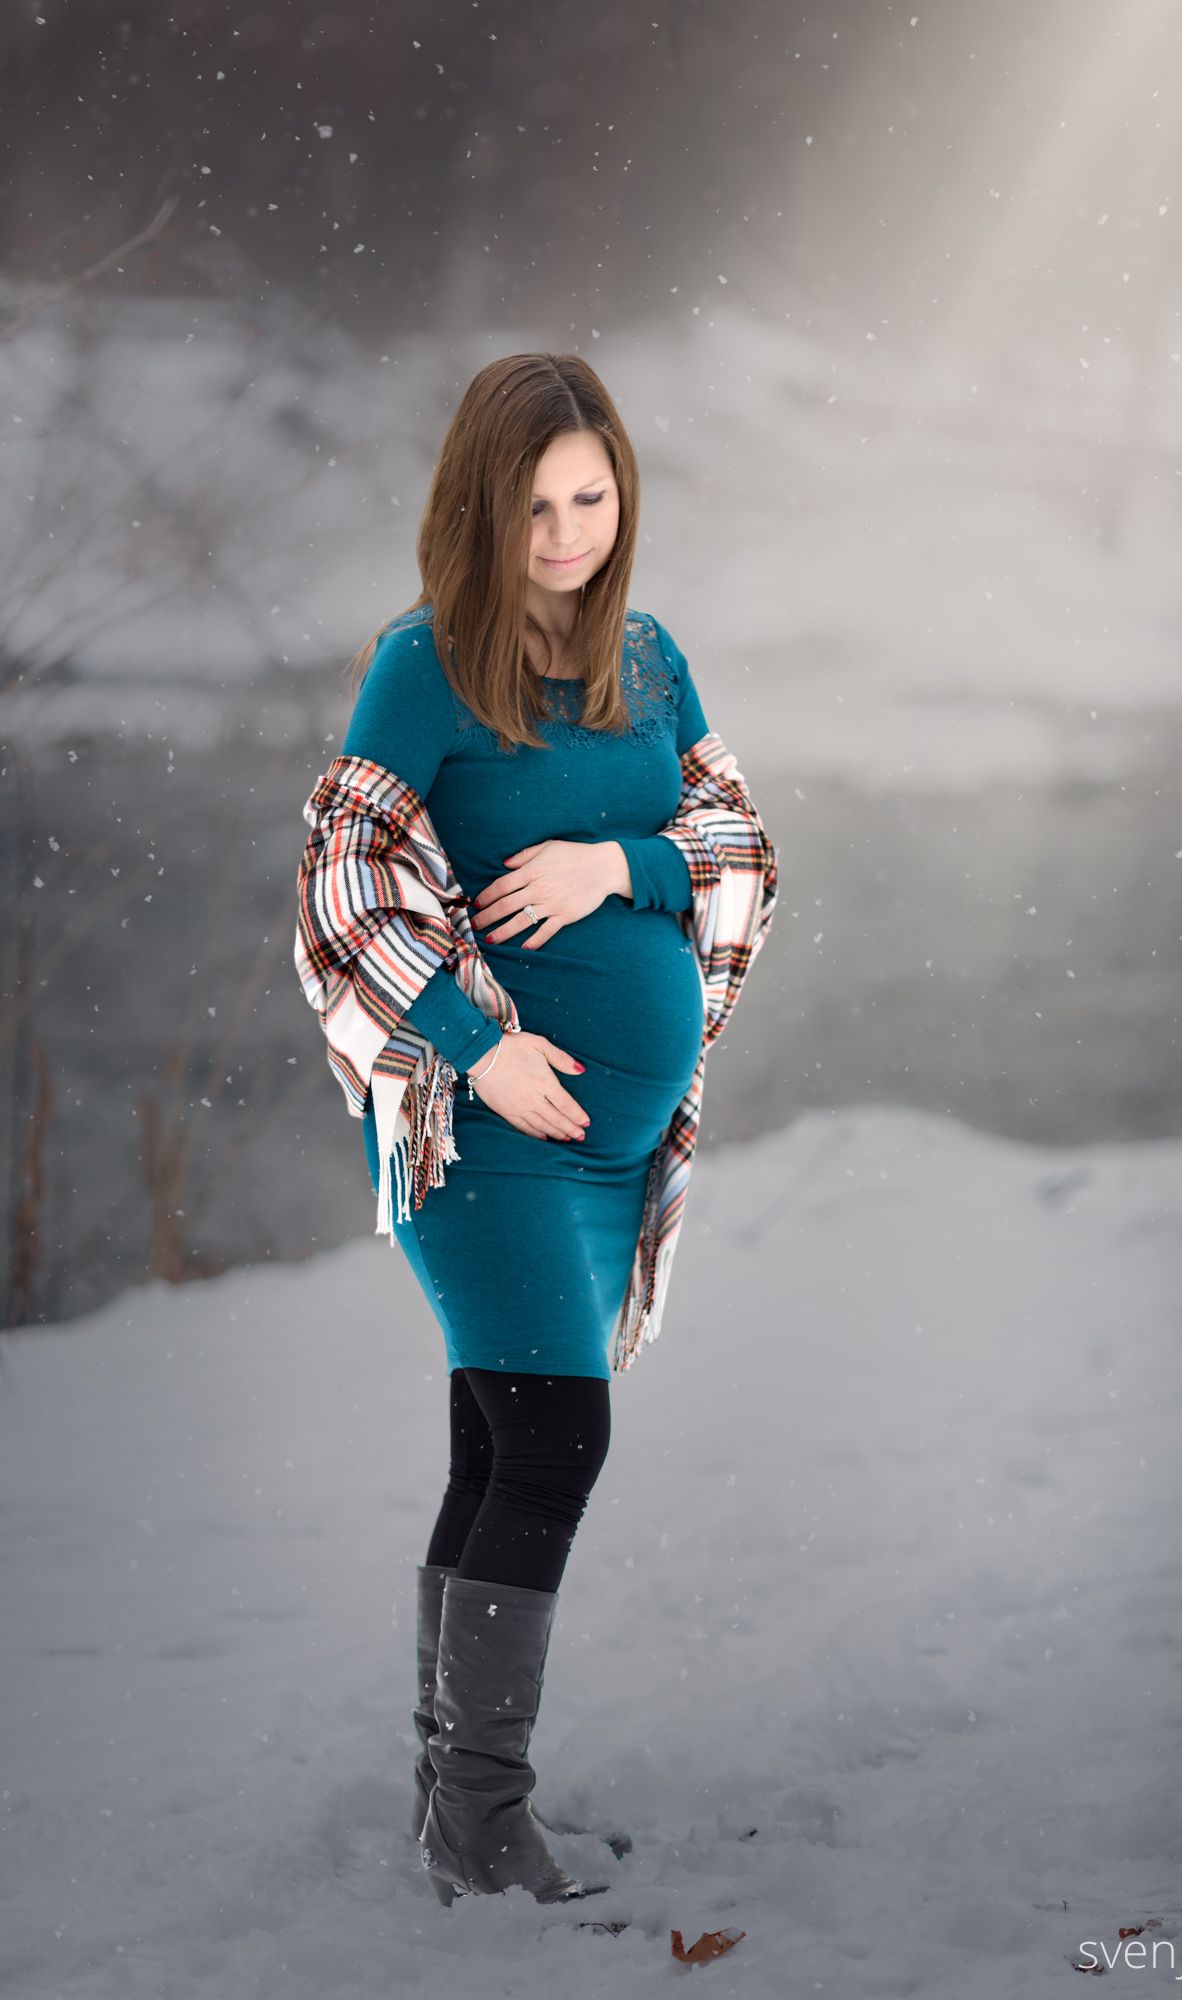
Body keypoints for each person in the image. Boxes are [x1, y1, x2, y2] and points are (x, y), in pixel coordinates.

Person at [333, 352, 772, 1909]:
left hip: (614, 1154)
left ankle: (449, 1787)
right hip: (487, 1133)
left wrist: (614, 865)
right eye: (537, 505)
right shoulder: (422, 665)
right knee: (554, 1440)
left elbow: (731, 840)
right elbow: (346, 881)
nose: (570, 532)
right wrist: (479, 1044)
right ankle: (478, 1817)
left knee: (494, 1441)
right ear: (480, 506)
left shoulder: (648, 660)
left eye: (592, 498)